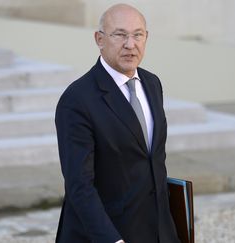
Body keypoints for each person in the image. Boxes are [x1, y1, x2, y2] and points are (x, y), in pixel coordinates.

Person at [55, 3, 181, 243]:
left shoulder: (152, 84)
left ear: (147, 38)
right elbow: (79, 186)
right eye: (120, 35)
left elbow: (152, 160)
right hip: (106, 234)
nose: (130, 44)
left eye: (137, 35)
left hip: (158, 231)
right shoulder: (77, 100)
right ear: (99, 39)